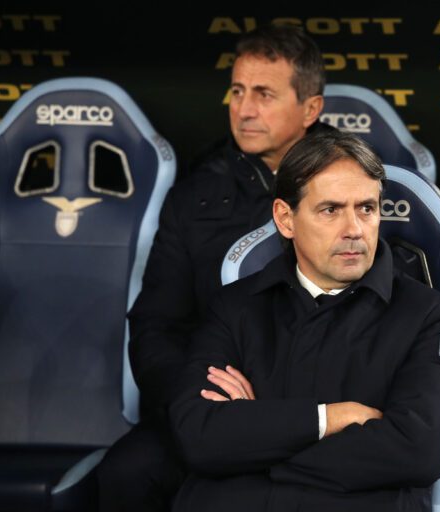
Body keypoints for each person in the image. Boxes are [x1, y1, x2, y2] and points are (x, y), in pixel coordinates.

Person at [167, 131, 440, 511]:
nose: (354, 229)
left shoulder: (430, 317)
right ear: (285, 219)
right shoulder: (235, 307)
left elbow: (418, 451)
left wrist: (256, 440)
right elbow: (198, 434)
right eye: (331, 210)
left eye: (367, 208)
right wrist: (330, 419)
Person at [97, 24, 327, 511]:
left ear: (310, 109)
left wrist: (289, 411)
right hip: (205, 408)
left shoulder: (353, 186)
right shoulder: (194, 193)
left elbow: (378, 319)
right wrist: (195, 402)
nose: (244, 110)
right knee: (125, 475)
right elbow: (155, 323)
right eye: (238, 92)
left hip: (314, 414)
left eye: (264, 94)